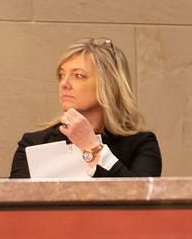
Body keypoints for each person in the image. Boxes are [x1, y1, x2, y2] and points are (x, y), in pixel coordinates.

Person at [10, 38, 161, 178]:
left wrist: (91, 146)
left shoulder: (141, 144)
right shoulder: (32, 144)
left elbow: (138, 202)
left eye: (78, 75)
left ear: (109, 85)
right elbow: (12, 203)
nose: (64, 83)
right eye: (62, 75)